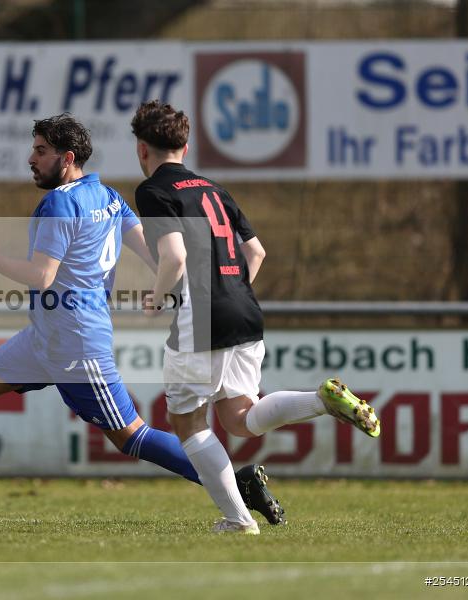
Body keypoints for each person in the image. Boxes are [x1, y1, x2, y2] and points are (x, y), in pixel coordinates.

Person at [0, 113, 282, 528]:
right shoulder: (110, 197)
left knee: (130, 436)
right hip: (46, 336)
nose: (31, 159)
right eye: (33, 149)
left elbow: (42, 277)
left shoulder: (59, 204)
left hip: (77, 344)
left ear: (68, 157)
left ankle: (239, 486)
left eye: (41, 151)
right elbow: (154, 255)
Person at [130, 100, 381, 534]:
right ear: (185, 147)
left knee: (187, 423)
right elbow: (256, 252)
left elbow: (173, 256)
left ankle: (238, 519)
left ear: (142, 150)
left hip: (201, 318)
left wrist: (155, 299)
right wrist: (233, 290)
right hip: (245, 311)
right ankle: (322, 400)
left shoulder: (153, 190)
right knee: (240, 419)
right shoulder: (214, 188)